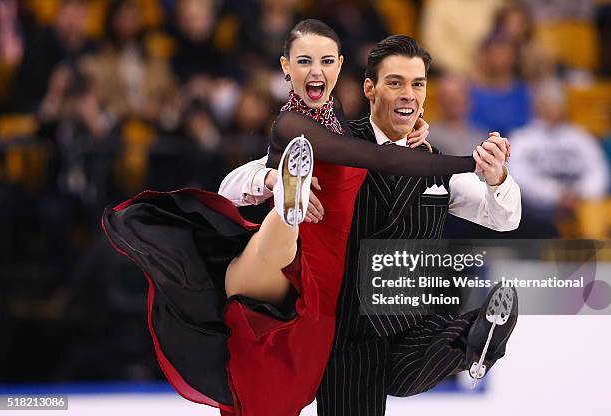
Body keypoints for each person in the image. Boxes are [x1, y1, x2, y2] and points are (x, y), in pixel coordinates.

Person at [103, 20, 497, 416]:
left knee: (280, 385)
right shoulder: (291, 124)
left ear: (340, 67)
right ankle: (290, 199)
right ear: (285, 67)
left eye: (326, 61)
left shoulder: (339, 118)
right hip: (297, 263)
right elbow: (382, 158)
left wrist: (410, 131)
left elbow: (384, 147)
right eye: (304, 61)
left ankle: (291, 199)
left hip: (319, 289)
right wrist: (470, 161)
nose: (316, 70)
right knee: (279, 236)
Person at [220, 34, 521, 415]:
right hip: (347, 330)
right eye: (395, 83)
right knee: (381, 379)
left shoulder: (436, 162)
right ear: (370, 88)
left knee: (423, 354)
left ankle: (479, 337)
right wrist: (271, 179)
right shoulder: (335, 142)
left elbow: (505, 218)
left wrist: (497, 178)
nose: (408, 94)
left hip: (410, 323)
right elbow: (229, 187)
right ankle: (475, 343)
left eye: (418, 84)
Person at [509, 79, 609, 237]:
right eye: (546, 103)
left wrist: (580, 193)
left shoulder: (581, 137)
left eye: (555, 103)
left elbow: (598, 171)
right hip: (537, 208)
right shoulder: (522, 139)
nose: (551, 108)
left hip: (582, 203)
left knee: (595, 213)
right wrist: (555, 194)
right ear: (536, 106)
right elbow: (517, 176)